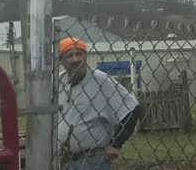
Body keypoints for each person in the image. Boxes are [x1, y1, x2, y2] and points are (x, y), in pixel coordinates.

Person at [57, 37, 141, 170]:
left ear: (85, 56)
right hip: (66, 161)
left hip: (93, 162)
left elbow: (132, 109)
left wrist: (116, 144)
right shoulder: (60, 81)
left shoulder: (100, 81)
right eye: (69, 55)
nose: (75, 59)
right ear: (61, 60)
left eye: (79, 54)